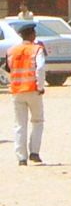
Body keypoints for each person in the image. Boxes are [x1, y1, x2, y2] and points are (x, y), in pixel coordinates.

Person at [6, 22, 45, 165]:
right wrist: (40, 87)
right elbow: (40, 69)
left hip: (17, 92)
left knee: (20, 125)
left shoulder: (12, 51)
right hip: (33, 90)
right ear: (31, 35)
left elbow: (8, 69)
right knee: (37, 121)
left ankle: (21, 158)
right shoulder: (36, 50)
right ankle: (34, 153)